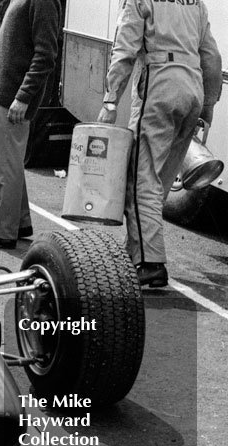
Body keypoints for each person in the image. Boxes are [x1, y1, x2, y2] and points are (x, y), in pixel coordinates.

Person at [96, 0, 221, 288]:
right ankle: (135, 252)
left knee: (142, 182)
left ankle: (149, 263)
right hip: (193, 90)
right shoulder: (195, 3)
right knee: (160, 183)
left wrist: (111, 99)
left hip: (159, 86)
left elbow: (125, 49)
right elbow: (212, 57)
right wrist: (208, 104)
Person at [0, 0, 60, 248]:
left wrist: (23, 97)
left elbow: (45, 55)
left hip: (13, 99)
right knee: (10, 164)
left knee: (4, 166)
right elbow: (9, 50)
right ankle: (18, 222)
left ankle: (1, 231)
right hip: (7, 95)